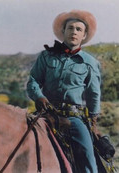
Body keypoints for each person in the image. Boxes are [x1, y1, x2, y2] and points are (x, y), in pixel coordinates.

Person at [27, 10, 100, 173]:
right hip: (45, 113)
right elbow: (33, 81)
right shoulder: (47, 56)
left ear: (84, 35)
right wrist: (38, 96)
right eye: (70, 28)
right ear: (63, 32)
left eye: (78, 29)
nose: (74, 32)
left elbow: (93, 95)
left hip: (73, 118)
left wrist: (93, 123)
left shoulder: (89, 63)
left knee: (89, 158)